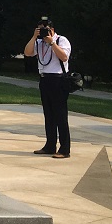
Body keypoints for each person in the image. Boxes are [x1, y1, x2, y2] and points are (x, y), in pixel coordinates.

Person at [24, 18, 72, 158]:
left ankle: (64, 149)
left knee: (60, 115)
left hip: (58, 80)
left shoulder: (61, 40)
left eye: (45, 29)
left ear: (52, 29)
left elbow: (64, 57)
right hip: (44, 79)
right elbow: (27, 53)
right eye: (40, 29)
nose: (43, 32)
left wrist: (51, 42)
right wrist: (34, 37)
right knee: (49, 115)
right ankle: (50, 145)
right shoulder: (38, 42)